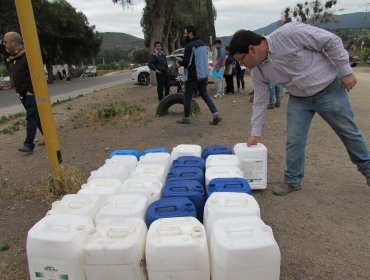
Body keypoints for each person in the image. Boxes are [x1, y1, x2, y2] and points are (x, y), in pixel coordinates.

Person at [229, 21, 370, 195]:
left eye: (241, 60)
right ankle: (292, 180)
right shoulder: (258, 70)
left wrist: (346, 71)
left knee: (348, 132)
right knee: (294, 140)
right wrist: (254, 134)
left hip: (328, 89)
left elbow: (331, 41)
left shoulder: (289, 34)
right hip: (299, 98)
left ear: (252, 49)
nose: (242, 65)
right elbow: (260, 100)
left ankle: (368, 169)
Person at [4, 31, 44, 153]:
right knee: (37, 117)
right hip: (23, 94)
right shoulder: (16, 58)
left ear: (13, 42)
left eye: (5, 42)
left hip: (30, 94)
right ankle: (47, 136)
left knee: (31, 117)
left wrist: (30, 92)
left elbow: (37, 74)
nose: (4, 44)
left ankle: (28, 144)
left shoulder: (28, 56)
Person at [176, 25, 222, 125]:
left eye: (185, 33)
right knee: (205, 95)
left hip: (193, 76)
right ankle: (216, 115)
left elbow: (187, 62)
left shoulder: (189, 46)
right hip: (204, 75)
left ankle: (186, 118)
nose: (184, 35)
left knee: (187, 97)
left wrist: (179, 62)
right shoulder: (203, 44)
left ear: (190, 33)